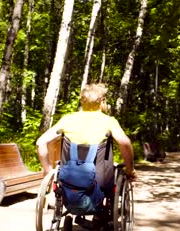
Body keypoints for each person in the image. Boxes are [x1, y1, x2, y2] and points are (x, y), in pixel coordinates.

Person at [36, 83, 137, 212]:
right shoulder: (109, 121)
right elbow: (125, 144)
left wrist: (47, 170)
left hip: (68, 179)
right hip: (101, 181)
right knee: (116, 170)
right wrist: (130, 170)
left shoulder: (68, 119)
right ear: (102, 102)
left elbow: (40, 143)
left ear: (82, 100)